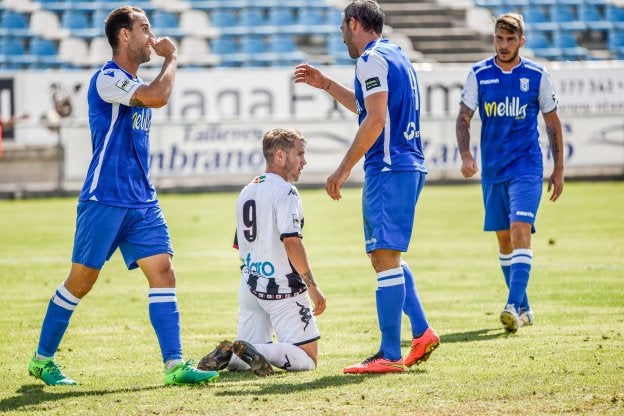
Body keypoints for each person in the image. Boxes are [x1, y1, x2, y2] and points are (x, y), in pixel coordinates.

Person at [27, 6, 218, 386]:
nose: (152, 35)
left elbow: (152, 96)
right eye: (145, 28)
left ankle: (174, 365)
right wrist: (173, 57)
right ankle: (42, 360)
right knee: (81, 281)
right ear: (125, 36)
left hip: (141, 200)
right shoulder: (108, 79)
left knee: (163, 272)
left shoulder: (132, 80)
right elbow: (157, 96)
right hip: (105, 198)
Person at [293, 0, 439, 374]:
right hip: (407, 164)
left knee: (384, 258)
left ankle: (389, 354)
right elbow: (369, 107)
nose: (341, 33)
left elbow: (374, 121)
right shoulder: (395, 55)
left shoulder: (370, 59)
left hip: (389, 166)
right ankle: (421, 333)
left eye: (343, 25)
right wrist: (326, 84)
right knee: (385, 256)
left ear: (355, 23)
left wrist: (342, 169)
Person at [455, 13, 564, 333]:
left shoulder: (537, 75)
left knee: (520, 231)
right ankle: (525, 308)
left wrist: (558, 169)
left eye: (510, 40)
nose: (504, 45)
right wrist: (465, 155)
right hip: (493, 170)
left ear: (521, 42)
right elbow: (463, 119)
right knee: (504, 241)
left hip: (527, 167)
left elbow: (552, 123)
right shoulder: (479, 74)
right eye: (499, 39)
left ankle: (512, 305)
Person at [198, 128, 326, 377]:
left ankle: (233, 356)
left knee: (244, 354)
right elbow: (291, 241)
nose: (304, 161)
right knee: (309, 358)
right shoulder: (286, 191)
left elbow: (240, 243)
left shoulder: (248, 190)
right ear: (280, 155)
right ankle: (259, 351)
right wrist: (312, 286)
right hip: (281, 288)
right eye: (299, 154)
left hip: (249, 286)